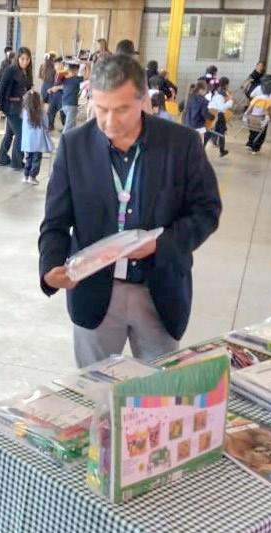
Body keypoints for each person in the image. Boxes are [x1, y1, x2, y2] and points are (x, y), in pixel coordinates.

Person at [39, 54, 221, 366]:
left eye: (122, 109)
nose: (110, 121)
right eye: (102, 109)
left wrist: (161, 244)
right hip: (94, 292)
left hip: (158, 290)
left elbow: (207, 210)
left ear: (143, 100)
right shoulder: (74, 146)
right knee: (94, 385)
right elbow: (55, 221)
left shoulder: (181, 145)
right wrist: (50, 266)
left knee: (159, 387)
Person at [0, 46, 33, 170]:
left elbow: (27, 88)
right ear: (18, 58)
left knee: (9, 133)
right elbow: (2, 89)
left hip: (21, 107)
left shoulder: (27, 72)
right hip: (11, 107)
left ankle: (2, 157)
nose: (25, 62)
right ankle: (17, 162)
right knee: (21, 133)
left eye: (27, 59)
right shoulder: (10, 70)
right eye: (22, 59)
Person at [21, 89, 53, 185]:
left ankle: (25, 176)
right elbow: (46, 126)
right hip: (38, 141)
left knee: (28, 158)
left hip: (27, 141)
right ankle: (32, 177)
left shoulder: (25, 112)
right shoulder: (42, 113)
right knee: (36, 159)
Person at [48, 60, 81, 133]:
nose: (56, 66)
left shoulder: (66, 74)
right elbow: (60, 84)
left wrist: (57, 88)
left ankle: (66, 130)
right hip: (61, 98)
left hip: (63, 97)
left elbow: (66, 85)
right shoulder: (59, 74)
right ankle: (52, 127)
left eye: (58, 64)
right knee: (51, 111)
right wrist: (52, 89)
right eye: (55, 65)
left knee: (66, 117)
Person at [244, 80, 271, 154]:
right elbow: (269, 112)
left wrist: (246, 116)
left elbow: (249, 109)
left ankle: (250, 144)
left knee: (253, 131)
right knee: (261, 134)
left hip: (251, 119)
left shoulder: (256, 98)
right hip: (260, 120)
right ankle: (255, 148)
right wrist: (270, 117)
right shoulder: (269, 101)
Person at [204, 77, 232, 157]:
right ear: (226, 85)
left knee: (209, 132)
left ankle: (201, 148)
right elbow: (222, 108)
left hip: (209, 113)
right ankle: (222, 151)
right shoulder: (221, 94)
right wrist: (230, 101)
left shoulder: (213, 92)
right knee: (221, 132)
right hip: (218, 114)